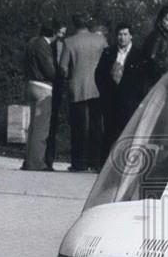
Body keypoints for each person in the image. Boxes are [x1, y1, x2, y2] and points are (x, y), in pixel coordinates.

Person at [61, 13, 108, 172]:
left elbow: (63, 68)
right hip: (98, 87)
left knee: (78, 127)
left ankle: (78, 162)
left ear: (75, 25)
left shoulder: (69, 42)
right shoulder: (100, 40)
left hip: (78, 87)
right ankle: (96, 162)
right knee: (97, 126)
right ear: (88, 24)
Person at [95, 23, 147, 158]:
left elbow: (143, 79)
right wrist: (104, 93)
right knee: (109, 132)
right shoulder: (108, 52)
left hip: (130, 102)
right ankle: (105, 164)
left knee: (128, 133)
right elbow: (99, 74)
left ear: (131, 36)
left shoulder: (139, 55)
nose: (122, 38)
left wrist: (138, 98)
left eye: (125, 34)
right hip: (111, 100)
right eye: (119, 34)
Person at [22, 23, 59, 171]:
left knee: (32, 127)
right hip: (43, 87)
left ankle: (28, 160)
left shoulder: (32, 42)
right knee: (41, 128)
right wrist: (58, 74)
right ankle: (37, 162)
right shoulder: (44, 46)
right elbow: (50, 71)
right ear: (54, 33)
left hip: (30, 84)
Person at [45, 19, 68, 170]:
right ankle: (48, 158)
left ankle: (46, 158)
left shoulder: (46, 44)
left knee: (46, 123)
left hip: (48, 85)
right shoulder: (60, 45)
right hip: (56, 86)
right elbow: (62, 68)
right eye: (60, 33)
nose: (61, 36)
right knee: (51, 122)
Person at [141, 5, 168, 90]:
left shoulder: (163, 36)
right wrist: (165, 75)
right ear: (160, 19)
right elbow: (151, 59)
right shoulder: (156, 37)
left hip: (157, 82)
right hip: (154, 84)